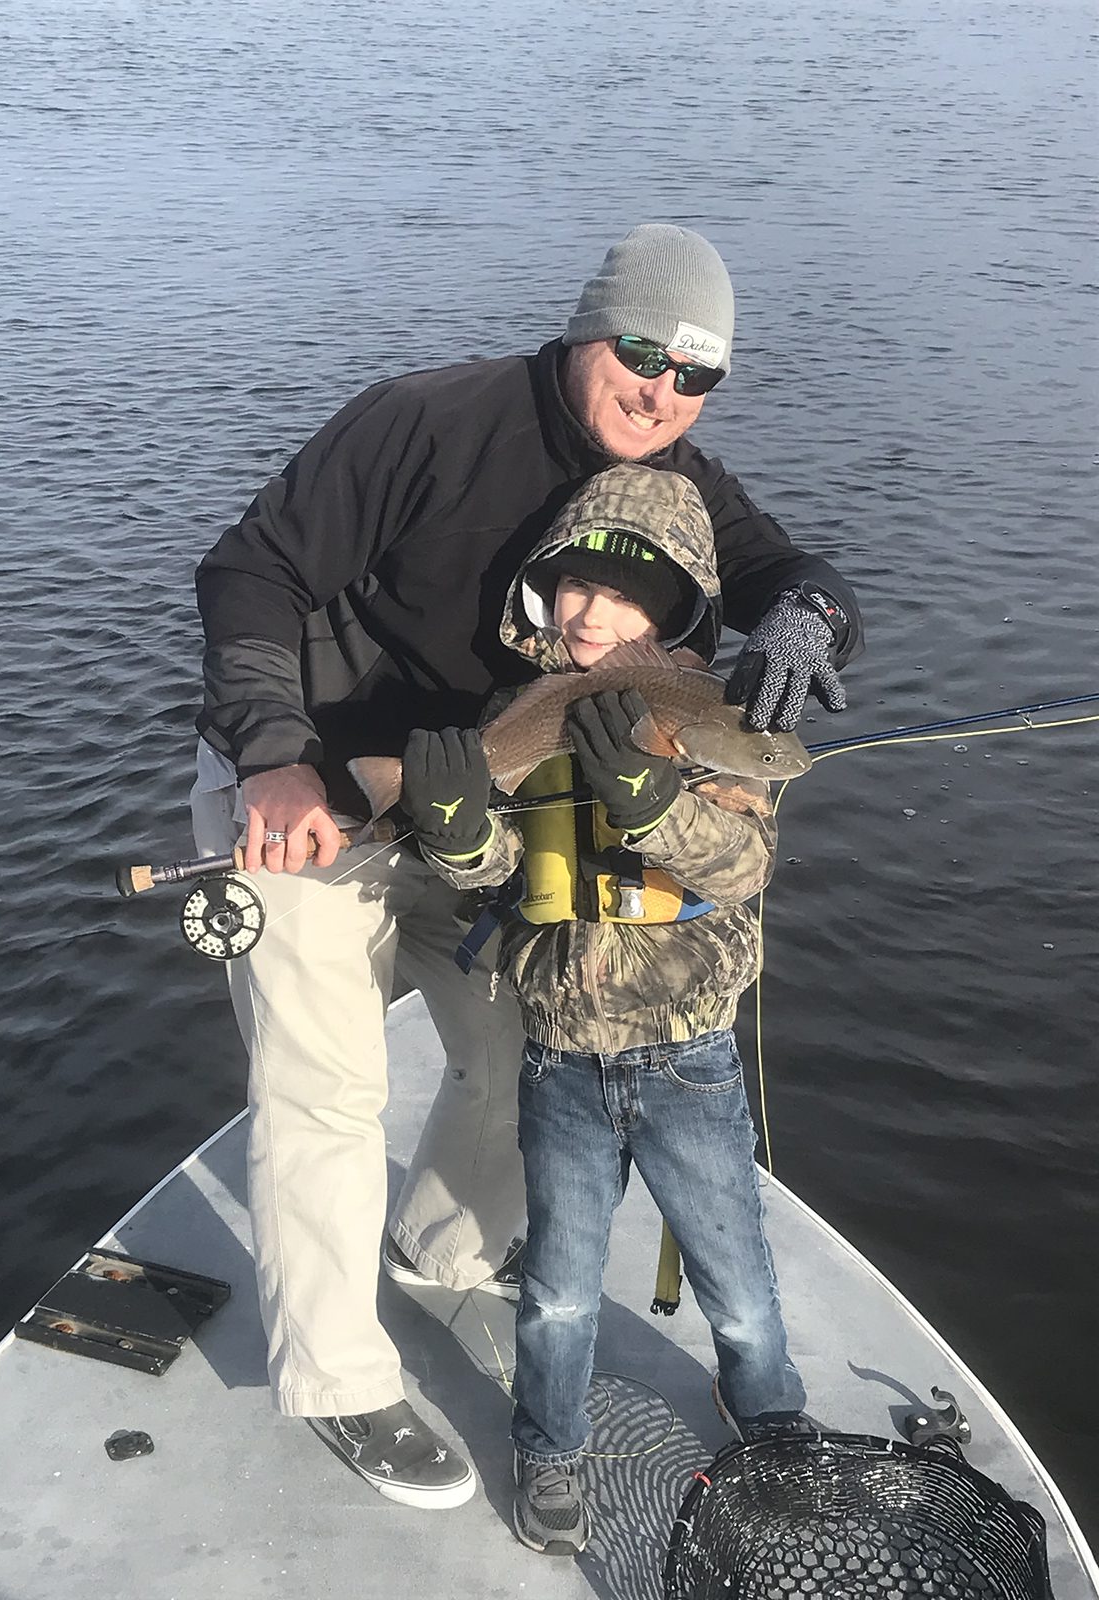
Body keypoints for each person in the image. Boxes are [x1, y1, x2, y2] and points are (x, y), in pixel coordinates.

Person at [189, 223, 860, 1509]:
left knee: (519, 1048)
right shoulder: (422, 420)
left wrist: (810, 611)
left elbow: (794, 571)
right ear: (585, 329)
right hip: (312, 794)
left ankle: (440, 1251)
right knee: (325, 1085)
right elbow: (249, 570)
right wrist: (273, 755)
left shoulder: (674, 476)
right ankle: (341, 1378)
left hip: (481, 812)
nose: (665, 389)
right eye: (646, 351)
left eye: (700, 373)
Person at [400, 462, 809, 1555]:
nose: (591, 613)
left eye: (625, 596)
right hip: (561, 1058)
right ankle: (549, 1444)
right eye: (572, 588)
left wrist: (659, 805)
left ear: (674, 610)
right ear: (540, 595)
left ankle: (771, 1422)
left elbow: (741, 861)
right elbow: (495, 873)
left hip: (692, 1056)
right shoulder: (517, 714)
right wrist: (450, 832)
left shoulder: (718, 715)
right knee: (561, 1287)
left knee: (740, 1278)